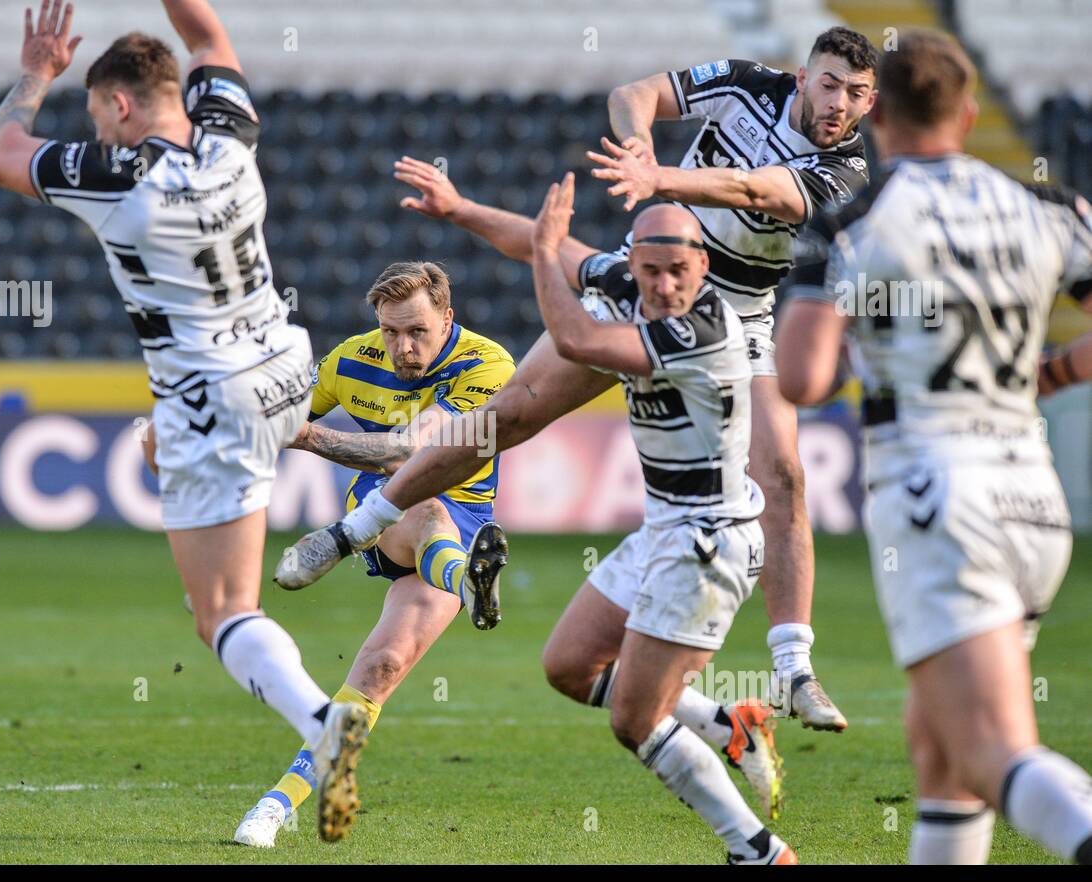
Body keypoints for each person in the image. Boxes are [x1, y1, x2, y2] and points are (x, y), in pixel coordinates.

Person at [0, 0, 365, 842]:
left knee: (221, 611)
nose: (99, 131)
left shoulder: (121, 176)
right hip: (289, 367)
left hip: (215, 397)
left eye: (96, 114)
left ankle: (321, 721)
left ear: (118, 104)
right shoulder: (230, 139)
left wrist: (37, 73)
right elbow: (208, 35)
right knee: (177, 455)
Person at [281, 180, 786, 824]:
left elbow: (571, 342)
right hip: (659, 529)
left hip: (711, 536)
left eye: (675, 271)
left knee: (634, 714)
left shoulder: (697, 327)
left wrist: (546, 260)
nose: (659, 285)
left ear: (703, 269)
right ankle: (727, 722)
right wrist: (463, 209)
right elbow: (552, 247)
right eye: (647, 269)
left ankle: (755, 843)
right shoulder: (633, 285)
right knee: (569, 667)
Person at [776, 29, 1092, 864]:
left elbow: (802, 377)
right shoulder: (1051, 207)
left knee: (988, 752)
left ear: (876, 113)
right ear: (970, 112)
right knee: (941, 751)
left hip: (938, 500)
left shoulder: (857, 220)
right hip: (1035, 499)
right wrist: (1049, 373)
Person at [589, 26, 883, 728]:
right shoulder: (748, 82)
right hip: (652, 279)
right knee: (518, 409)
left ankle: (793, 670)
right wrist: (639, 146)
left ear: (872, 105)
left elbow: (752, 187)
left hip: (741, 315)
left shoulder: (847, 173)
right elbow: (631, 93)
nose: (840, 103)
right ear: (804, 76)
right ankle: (370, 521)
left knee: (783, 475)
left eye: (858, 94)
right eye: (830, 84)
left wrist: (659, 180)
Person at [234, 260, 515, 846]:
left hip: (466, 517)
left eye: (417, 332)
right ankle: (469, 583)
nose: (401, 347)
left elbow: (417, 448)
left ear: (448, 318)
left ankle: (275, 805)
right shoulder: (349, 360)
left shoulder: (488, 364)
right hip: (388, 510)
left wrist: (309, 437)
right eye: (390, 331)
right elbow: (275, 417)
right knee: (425, 507)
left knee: (381, 667)